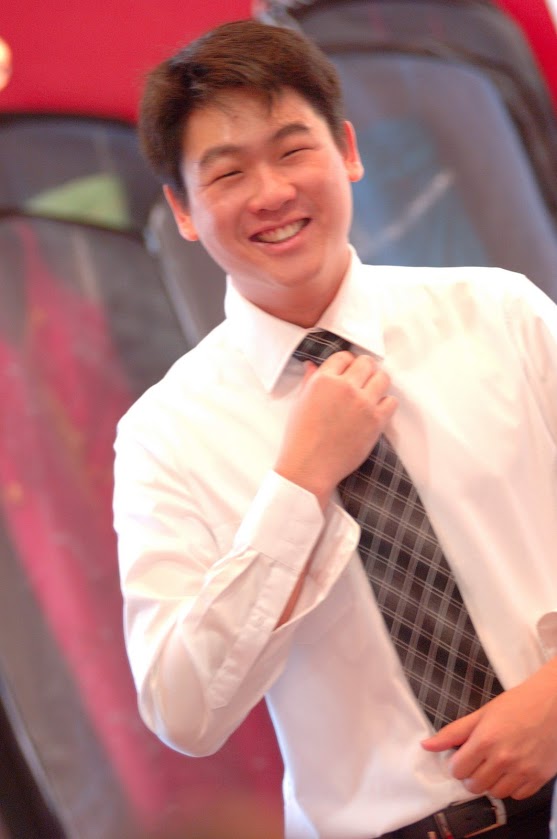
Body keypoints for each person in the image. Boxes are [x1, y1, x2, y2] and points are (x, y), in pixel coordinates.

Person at [113, 19, 557, 839]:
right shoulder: (162, 437)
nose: (270, 193)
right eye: (227, 173)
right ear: (182, 209)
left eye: (291, 150)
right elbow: (183, 709)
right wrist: (297, 485)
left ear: (346, 151)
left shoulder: (502, 315)